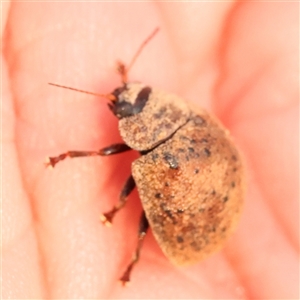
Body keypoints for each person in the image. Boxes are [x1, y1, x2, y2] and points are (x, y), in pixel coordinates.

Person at [2, 2, 299, 299]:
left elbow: (119, 173)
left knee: (139, 222)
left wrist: (114, 206)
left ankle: (132, 261)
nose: (123, 94)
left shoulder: (161, 152)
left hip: (197, 232)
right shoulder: (187, 113)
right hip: (222, 191)